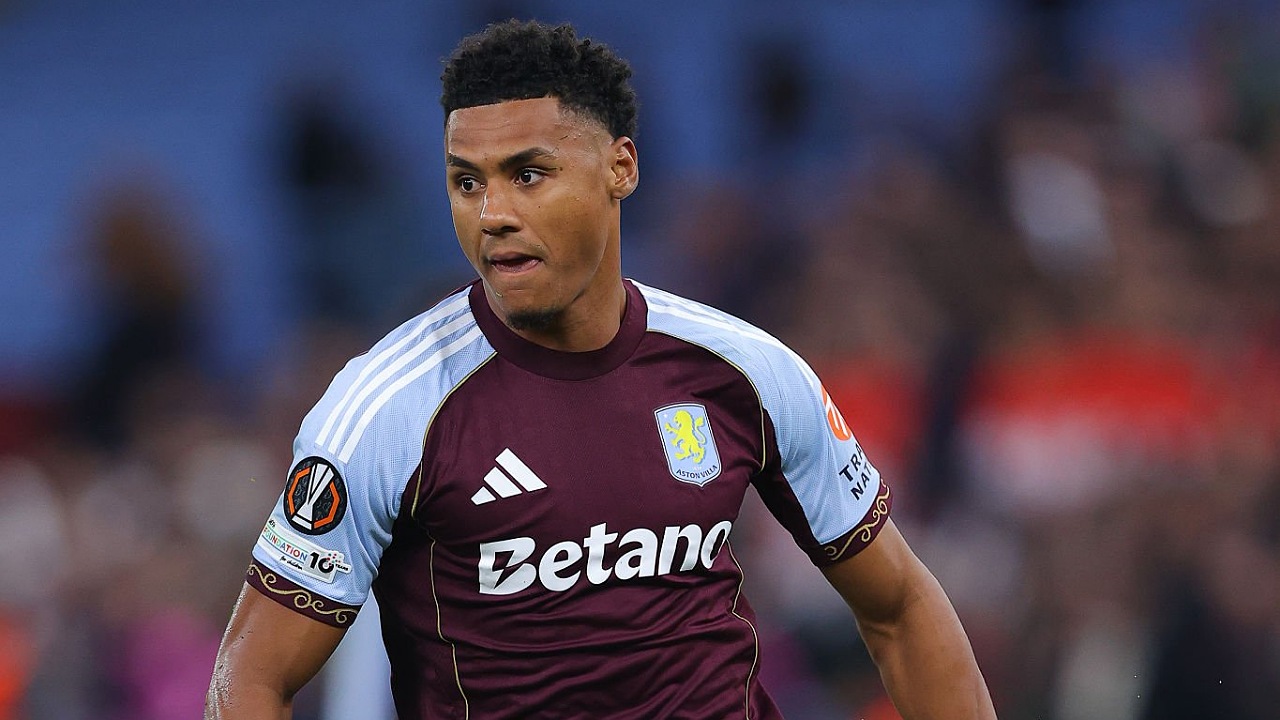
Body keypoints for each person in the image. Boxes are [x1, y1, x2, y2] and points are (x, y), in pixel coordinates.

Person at [205, 19, 996, 720]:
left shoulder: (744, 370)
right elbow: (248, 681)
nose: (494, 214)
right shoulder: (388, 408)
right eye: (466, 181)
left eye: (529, 173)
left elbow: (899, 607)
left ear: (621, 168)